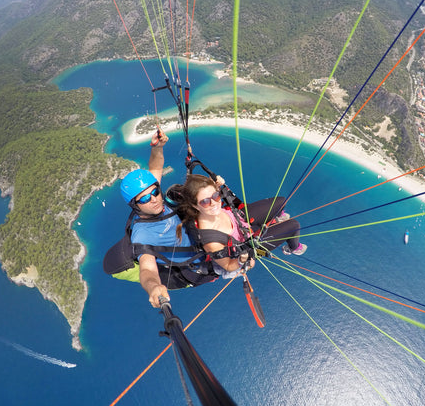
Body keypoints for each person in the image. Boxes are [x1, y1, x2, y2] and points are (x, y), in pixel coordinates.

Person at [118, 131, 216, 307]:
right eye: (145, 199)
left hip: (203, 236)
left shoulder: (155, 200)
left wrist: (157, 148)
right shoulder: (142, 235)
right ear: (135, 205)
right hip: (202, 261)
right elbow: (147, 269)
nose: (154, 198)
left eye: (155, 192)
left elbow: (155, 168)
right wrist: (154, 287)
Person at [178, 174, 307, 279]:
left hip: (240, 219)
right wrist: (241, 261)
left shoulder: (212, 203)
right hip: (248, 246)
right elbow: (228, 265)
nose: (213, 203)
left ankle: (276, 219)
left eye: (216, 196)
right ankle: (293, 247)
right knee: (293, 226)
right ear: (195, 206)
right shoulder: (210, 240)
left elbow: (211, 192)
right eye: (205, 202)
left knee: (281, 202)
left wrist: (218, 185)